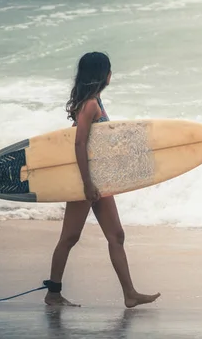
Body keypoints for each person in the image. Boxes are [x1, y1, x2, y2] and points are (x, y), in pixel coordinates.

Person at [44, 51, 161, 308]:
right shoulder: (90, 105)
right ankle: (53, 293)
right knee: (70, 237)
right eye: (110, 69)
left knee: (116, 235)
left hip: (100, 180)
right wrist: (86, 183)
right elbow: (79, 143)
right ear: (102, 74)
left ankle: (130, 294)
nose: (112, 74)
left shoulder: (95, 100)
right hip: (86, 181)